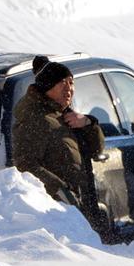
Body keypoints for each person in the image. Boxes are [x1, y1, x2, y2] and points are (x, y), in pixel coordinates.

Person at [12, 61, 105, 214]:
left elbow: (96, 150)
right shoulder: (36, 119)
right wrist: (63, 193)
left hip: (81, 204)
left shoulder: (64, 115)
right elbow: (25, 165)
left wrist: (88, 123)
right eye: (62, 83)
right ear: (48, 86)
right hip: (58, 211)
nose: (69, 88)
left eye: (71, 83)